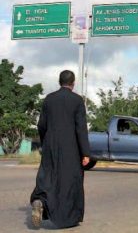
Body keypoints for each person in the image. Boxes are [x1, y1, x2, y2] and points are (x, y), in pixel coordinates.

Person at [30, 70, 90, 229]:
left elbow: (41, 125)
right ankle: (67, 218)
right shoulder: (77, 100)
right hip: (70, 148)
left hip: (51, 145)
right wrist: (85, 152)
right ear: (73, 83)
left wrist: (46, 142)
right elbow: (81, 129)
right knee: (69, 181)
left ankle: (40, 201)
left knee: (48, 176)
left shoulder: (49, 99)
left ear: (59, 81)